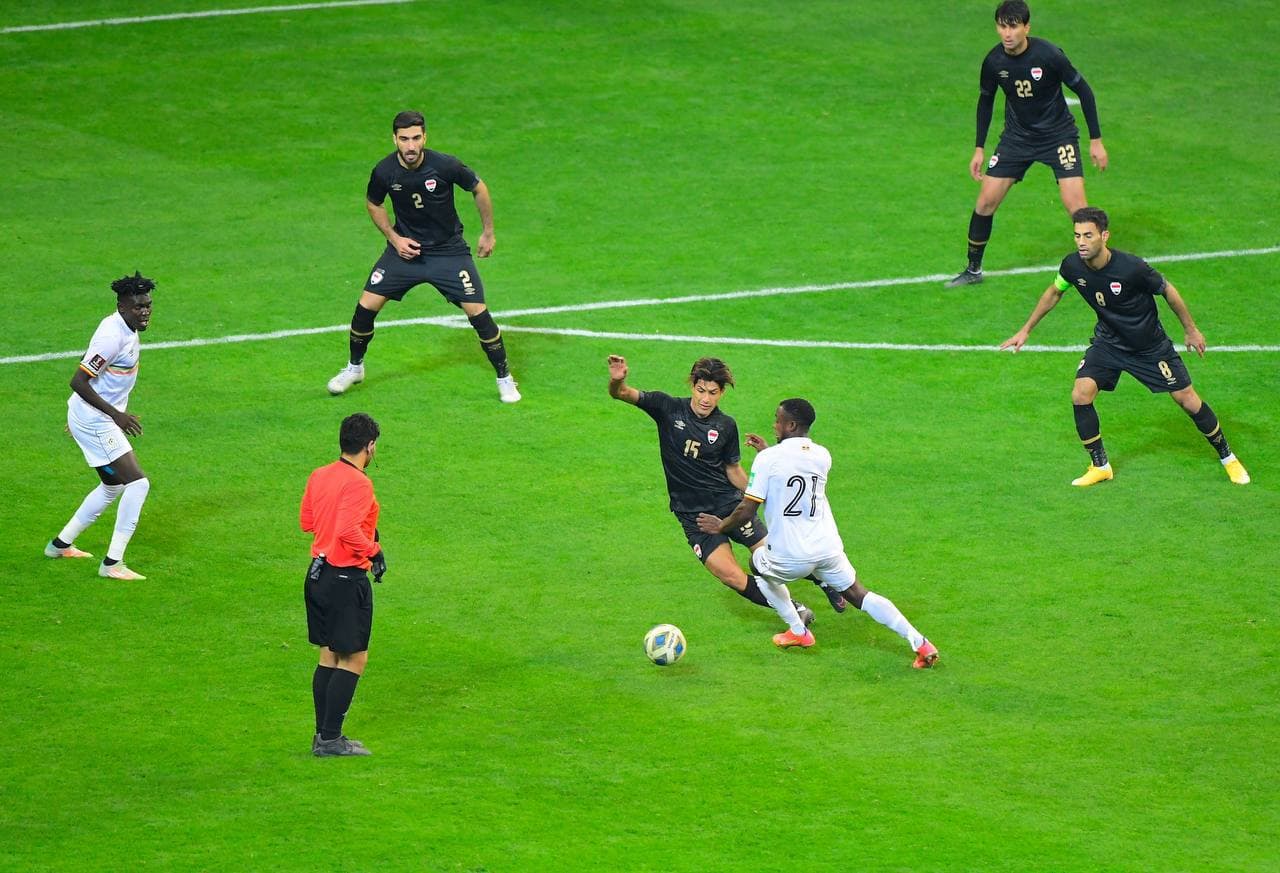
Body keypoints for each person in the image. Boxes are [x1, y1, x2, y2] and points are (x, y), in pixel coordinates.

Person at [1000, 207, 1250, 486]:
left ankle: (1229, 458)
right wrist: (1025, 330)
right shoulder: (1072, 266)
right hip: (1109, 343)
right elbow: (1054, 291)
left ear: (1104, 236)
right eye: (1077, 235)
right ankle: (1100, 466)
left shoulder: (1132, 268)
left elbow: (1168, 290)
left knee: (1187, 400)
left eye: (1088, 235)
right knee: (1081, 394)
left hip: (1149, 347)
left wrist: (1191, 330)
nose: (1081, 242)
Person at [697, 399, 939, 667]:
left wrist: (720, 526)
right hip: (827, 549)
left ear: (791, 425)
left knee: (757, 563)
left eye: (778, 420)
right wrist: (767, 451)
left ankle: (798, 631)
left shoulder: (768, 460)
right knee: (859, 594)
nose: (774, 424)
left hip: (789, 556)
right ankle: (920, 642)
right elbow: (794, 472)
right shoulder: (822, 455)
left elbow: (746, 510)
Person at [607, 354, 824, 633]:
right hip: (694, 518)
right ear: (692, 385)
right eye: (701, 390)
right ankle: (795, 609)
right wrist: (617, 381)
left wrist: (761, 494)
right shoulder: (667, 407)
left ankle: (829, 581)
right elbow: (622, 393)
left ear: (721, 393)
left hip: (728, 506)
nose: (705, 399)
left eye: (712, 393)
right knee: (732, 577)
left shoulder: (725, 426)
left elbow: (733, 470)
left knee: (777, 556)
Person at [327, 110, 520, 403]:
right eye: (404, 139)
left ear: (425, 138)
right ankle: (355, 368)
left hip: (448, 253)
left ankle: (505, 378)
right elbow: (374, 203)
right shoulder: (384, 171)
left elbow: (478, 188)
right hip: (405, 253)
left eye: (416, 138)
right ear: (394, 139)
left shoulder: (445, 165)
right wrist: (394, 238)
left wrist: (488, 232)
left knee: (478, 314)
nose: (411, 145)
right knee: (365, 307)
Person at [945, 0, 1108, 288]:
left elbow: (1084, 91)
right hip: (1016, 139)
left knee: (1077, 208)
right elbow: (985, 102)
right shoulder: (993, 62)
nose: (1007, 34)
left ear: (1026, 27)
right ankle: (973, 269)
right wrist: (979, 148)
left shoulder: (1049, 55)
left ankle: (1101, 268)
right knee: (985, 201)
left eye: (1013, 27)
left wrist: (1096, 140)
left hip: (1058, 136)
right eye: (1002, 26)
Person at [45, 272, 156, 580]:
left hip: (89, 417)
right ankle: (112, 564)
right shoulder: (113, 335)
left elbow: (90, 361)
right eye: (138, 307)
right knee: (138, 484)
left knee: (112, 486)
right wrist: (114, 416)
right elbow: (78, 380)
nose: (145, 311)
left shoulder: (123, 326)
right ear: (122, 307)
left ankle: (60, 545)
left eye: (147, 305)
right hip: (97, 420)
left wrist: (77, 414)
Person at [300, 412, 387, 758]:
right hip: (345, 579)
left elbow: (307, 522)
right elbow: (348, 531)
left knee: (329, 655)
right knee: (354, 659)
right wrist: (374, 550)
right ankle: (331, 739)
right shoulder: (360, 483)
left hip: (318, 575)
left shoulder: (319, 474)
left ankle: (322, 736)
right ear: (369, 446)